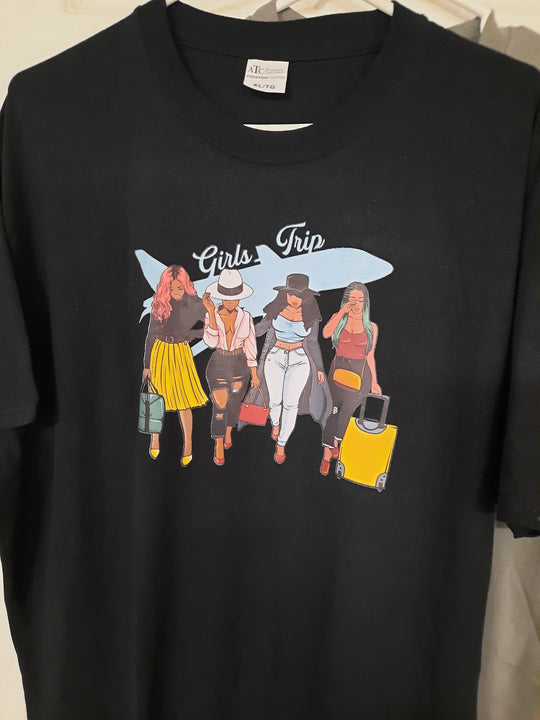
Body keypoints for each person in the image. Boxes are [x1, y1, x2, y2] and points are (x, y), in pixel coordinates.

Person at [252, 273, 331, 464]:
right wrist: (243, 330)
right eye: (291, 294)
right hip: (275, 357)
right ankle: (275, 423)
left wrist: (320, 368)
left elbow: (313, 343)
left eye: (300, 295)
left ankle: (281, 443)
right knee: (275, 401)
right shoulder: (275, 310)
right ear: (285, 294)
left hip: (299, 360)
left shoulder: (311, 316)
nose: (295, 299)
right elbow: (260, 329)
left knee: (291, 404)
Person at [142, 264, 208, 467]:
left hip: (181, 353)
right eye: (171, 288)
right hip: (160, 352)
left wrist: (191, 335)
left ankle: (188, 445)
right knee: (155, 398)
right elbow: (151, 334)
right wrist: (147, 365)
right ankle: (154, 439)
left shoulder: (195, 303)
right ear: (165, 288)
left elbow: (212, 327)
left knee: (184, 400)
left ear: (186, 285)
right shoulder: (160, 304)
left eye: (179, 288)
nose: (176, 292)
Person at [319, 281, 382, 476]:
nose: (356, 304)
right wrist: (342, 312)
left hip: (360, 373)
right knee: (331, 412)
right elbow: (326, 333)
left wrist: (374, 382)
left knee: (346, 413)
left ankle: (336, 442)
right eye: (352, 299)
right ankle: (327, 455)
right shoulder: (338, 319)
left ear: (366, 302)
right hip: (338, 369)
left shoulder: (371, 327)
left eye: (360, 300)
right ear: (346, 300)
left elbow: (370, 356)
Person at [202, 269, 259, 466]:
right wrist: (211, 312)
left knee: (234, 403)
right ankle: (218, 444)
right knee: (220, 403)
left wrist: (254, 373)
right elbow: (210, 342)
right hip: (218, 363)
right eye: (226, 297)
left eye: (234, 297)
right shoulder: (212, 314)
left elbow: (250, 345)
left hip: (239, 365)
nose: (230, 301)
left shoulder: (246, 317)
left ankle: (228, 431)